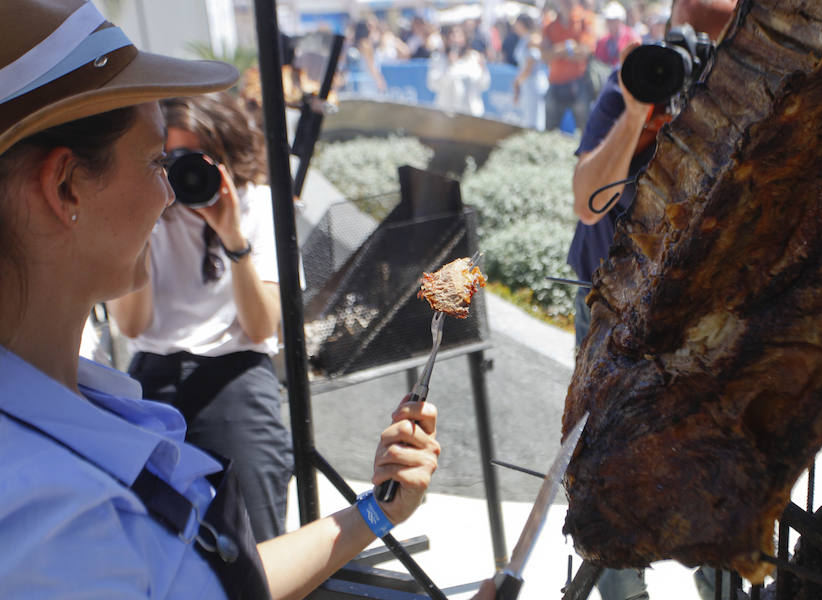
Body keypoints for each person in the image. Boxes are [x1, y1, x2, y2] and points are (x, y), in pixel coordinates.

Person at [0, 1, 494, 598]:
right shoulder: (53, 523)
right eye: (158, 161)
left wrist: (375, 513)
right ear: (64, 186)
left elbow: (215, 577)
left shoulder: (70, 416)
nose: (169, 195)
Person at [568, 0, 738, 598]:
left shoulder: (752, 98)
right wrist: (640, 110)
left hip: (699, 325)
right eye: (684, 36)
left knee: (710, 480)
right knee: (606, 486)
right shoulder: (636, 83)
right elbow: (588, 201)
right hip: (608, 315)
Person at [105, 90, 291, 543]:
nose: (183, 171)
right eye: (169, 158)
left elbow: (262, 326)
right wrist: (143, 220)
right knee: (151, 537)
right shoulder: (144, 213)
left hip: (236, 378)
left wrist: (231, 235)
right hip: (154, 377)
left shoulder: (257, 205)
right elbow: (131, 325)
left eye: (196, 157)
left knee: (253, 538)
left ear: (223, 153)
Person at [541, 0, 597, 132]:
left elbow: (584, 52)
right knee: (550, 130)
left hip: (578, 83)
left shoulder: (585, 20)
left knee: (584, 130)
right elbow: (544, 56)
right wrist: (568, 46)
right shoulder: (550, 24)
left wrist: (555, 51)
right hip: (555, 82)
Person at [427, 24, 491, 117]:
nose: (455, 40)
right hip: (447, 114)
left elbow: (484, 85)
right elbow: (433, 85)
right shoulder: (439, 59)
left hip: (471, 114)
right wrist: (451, 67)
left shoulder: (474, 58)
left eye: (459, 36)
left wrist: (483, 69)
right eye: (452, 36)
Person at [511, 13, 549, 130]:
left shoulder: (533, 39)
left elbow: (530, 65)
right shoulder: (524, 39)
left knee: (535, 120)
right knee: (528, 118)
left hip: (534, 83)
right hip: (527, 84)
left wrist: (517, 81)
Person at [594, 2, 643, 67]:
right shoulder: (603, 41)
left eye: (613, 20)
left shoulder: (632, 37)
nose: (610, 23)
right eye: (608, 20)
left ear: (620, 21)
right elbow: (598, 61)